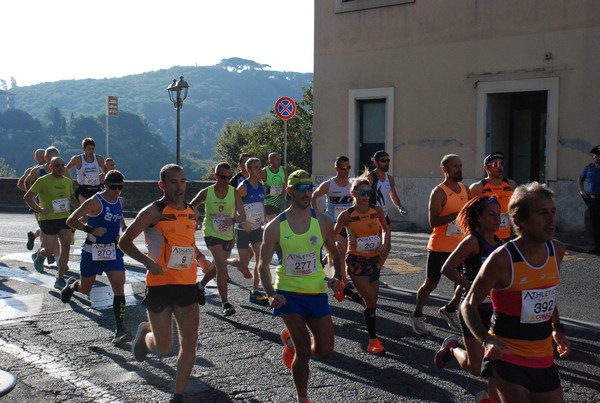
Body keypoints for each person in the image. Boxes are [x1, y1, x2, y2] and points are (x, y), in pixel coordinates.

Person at [462, 182, 571, 403]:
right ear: (520, 219)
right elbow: (469, 305)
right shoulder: (502, 259)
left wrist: (557, 328)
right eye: (542, 213)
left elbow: (547, 295)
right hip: (507, 355)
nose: (551, 220)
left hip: (543, 356)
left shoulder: (557, 250)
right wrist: (485, 340)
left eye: (553, 212)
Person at [118, 164, 201, 403]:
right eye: (173, 182)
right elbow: (124, 242)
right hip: (159, 285)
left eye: (183, 181)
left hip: (187, 284)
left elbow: (185, 243)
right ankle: (145, 335)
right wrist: (147, 262)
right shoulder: (152, 212)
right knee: (164, 346)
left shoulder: (191, 212)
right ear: (162, 185)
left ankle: (178, 394)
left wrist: (201, 257)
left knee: (190, 341)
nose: (179, 186)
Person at [258, 169, 342, 403]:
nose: (307, 193)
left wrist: (335, 277)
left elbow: (333, 254)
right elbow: (262, 266)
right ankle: (302, 398)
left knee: (326, 351)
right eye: (301, 188)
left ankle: (290, 344)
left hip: (316, 292)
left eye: (309, 188)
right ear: (289, 191)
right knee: (304, 351)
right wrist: (271, 294)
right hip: (288, 294)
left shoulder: (324, 222)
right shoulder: (275, 227)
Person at [433, 196, 502, 400]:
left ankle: (490, 398)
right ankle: (453, 348)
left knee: (501, 361)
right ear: (479, 218)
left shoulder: (500, 243)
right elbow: (447, 268)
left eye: (499, 214)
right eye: (491, 215)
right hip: (474, 308)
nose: (497, 219)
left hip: (496, 310)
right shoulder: (473, 241)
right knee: (476, 368)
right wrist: (471, 286)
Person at [61, 170, 131, 345]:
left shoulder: (119, 200)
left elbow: (119, 214)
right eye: (113, 186)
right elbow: (70, 220)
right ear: (105, 185)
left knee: (119, 287)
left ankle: (120, 329)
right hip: (92, 250)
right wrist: (91, 229)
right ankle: (72, 285)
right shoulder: (95, 201)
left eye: (120, 187)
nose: (116, 190)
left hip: (112, 251)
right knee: (86, 288)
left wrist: (124, 228)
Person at [410, 154, 469, 335]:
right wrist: (457, 214)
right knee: (431, 283)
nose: (459, 169)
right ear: (445, 169)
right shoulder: (439, 192)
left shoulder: (465, 189)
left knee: (466, 282)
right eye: (455, 166)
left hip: (461, 246)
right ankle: (417, 313)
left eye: (460, 165)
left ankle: (450, 309)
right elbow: (433, 221)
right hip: (439, 247)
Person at [334, 176, 391, 354]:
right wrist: (337, 244)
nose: (366, 196)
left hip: (374, 259)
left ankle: (346, 290)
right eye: (362, 193)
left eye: (369, 192)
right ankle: (373, 340)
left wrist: (384, 244)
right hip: (356, 260)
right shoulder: (347, 215)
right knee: (371, 299)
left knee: (371, 299)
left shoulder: (377, 210)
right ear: (354, 194)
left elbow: (386, 230)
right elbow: (333, 234)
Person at [191, 162, 246, 316]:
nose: (226, 180)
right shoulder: (206, 192)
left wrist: (232, 220)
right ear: (215, 176)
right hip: (211, 234)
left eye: (229, 177)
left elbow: (243, 216)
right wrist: (196, 220)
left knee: (216, 267)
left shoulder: (234, 193)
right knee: (222, 268)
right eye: (223, 177)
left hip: (228, 235)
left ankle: (200, 286)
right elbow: (189, 207)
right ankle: (225, 303)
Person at [311, 156, 362, 302]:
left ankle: (323, 263)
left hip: (349, 223)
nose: (346, 171)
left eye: (348, 168)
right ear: (336, 169)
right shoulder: (329, 184)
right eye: (343, 168)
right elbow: (314, 197)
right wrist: (318, 216)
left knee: (343, 251)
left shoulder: (352, 184)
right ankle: (344, 282)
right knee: (340, 252)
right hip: (334, 224)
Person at [23, 156, 76, 288]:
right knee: (49, 251)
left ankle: (60, 277)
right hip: (48, 220)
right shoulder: (42, 180)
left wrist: (82, 209)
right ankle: (40, 256)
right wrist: (39, 209)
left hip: (65, 218)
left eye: (62, 165)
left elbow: (71, 198)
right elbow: (27, 197)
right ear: (51, 167)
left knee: (66, 246)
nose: (60, 168)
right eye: (57, 165)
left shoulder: (67, 181)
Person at [226, 157, 270, 304]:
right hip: (242, 229)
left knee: (260, 259)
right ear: (248, 170)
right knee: (243, 263)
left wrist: (265, 219)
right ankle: (224, 261)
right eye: (256, 167)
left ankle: (255, 291)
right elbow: (232, 208)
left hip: (257, 228)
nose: (260, 170)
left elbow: (261, 204)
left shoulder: (262, 187)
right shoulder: (243, 187)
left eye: (260, 166)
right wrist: (243, 221)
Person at [367, 150, 406, 287]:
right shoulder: (370, 178)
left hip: (384, 216)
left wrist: (400, 207)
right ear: (376, 162)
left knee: (386, 246)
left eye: (388, 160)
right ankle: (360, 275)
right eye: (383, 161)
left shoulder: (390, 179)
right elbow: (361, 196)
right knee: (372, 247)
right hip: (371, 216)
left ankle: (375, 274)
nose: (387, 163)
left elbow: (393, 195)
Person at [469, 152, 517, 241]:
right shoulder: (478, 187)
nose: (500, 167)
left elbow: (516, 206)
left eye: (502, 164)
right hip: (484, 236)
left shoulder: (511, 184)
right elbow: (470, 212)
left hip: (505, 235)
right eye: (496, 164)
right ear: (486, 167)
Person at [17, 148, 47, 251]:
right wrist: (31, 193)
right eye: (41, 157)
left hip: (49, 201)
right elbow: (20, 183)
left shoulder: (50, 169)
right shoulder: (32, 170)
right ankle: (47, 253)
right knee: (44, 227)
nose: (44, 159)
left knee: (47, 226)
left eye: (45, 156)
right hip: (36, 202)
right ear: (36, 158)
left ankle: (33, 235)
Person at [66, 137, 107, 204]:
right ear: (83, 149)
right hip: (83, 189)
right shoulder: (77, 159)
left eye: (93, 149)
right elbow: (67, 169)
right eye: (89, 149)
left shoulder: (99, 159)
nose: (91, 151)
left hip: (96, 188)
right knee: (85, 211)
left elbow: (106, 171)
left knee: (96, 211)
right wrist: (71, 182)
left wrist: (104, 183)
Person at [578, 145, 600, 254]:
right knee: (595, 224)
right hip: (593, 200)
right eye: (597, 156)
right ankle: (597, 246)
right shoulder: (589, 168)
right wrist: (582, 190)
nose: (599, 158)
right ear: (593, 157)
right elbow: (580, 179)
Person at [263, 152, 288, 222]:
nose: (279, 162)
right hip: (267, 202)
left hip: (278, 202)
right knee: (275, 223)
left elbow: (287, 184)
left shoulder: (283, 170)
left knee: (273, 224)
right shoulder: (265, 171)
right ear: (270, 161)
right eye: (277, 160)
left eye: (280, 160)